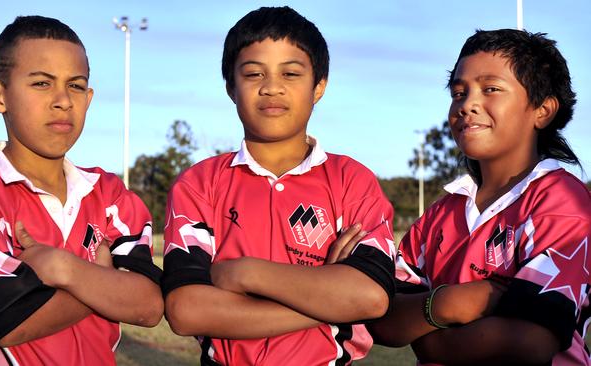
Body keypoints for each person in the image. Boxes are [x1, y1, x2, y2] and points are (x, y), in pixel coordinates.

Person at [161, 6, 396, 365]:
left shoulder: (352, 181)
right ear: (231, 88)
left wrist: (244, 273)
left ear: (318, 86)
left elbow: (372, 298)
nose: (272, 87)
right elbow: (186, 309)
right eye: (254, 73)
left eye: (290, 73)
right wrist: (327, 295)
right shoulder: (199, 184)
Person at [0, 16, 163, 365]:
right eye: (42, 83)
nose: (63, 100)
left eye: (75, 86)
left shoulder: (109, 193)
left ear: (89, 98)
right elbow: (7, 320)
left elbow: (150, 305)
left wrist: (65, 269)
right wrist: (104, 280)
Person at [368, 29, 590, 365]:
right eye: (459, 92)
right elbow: (384, 321)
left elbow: (530, 343)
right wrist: (445, 305)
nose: (467, 104)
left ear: (542, 110)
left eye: (490, 89)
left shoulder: (562, 203)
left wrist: (430, 338)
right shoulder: (442, 212)